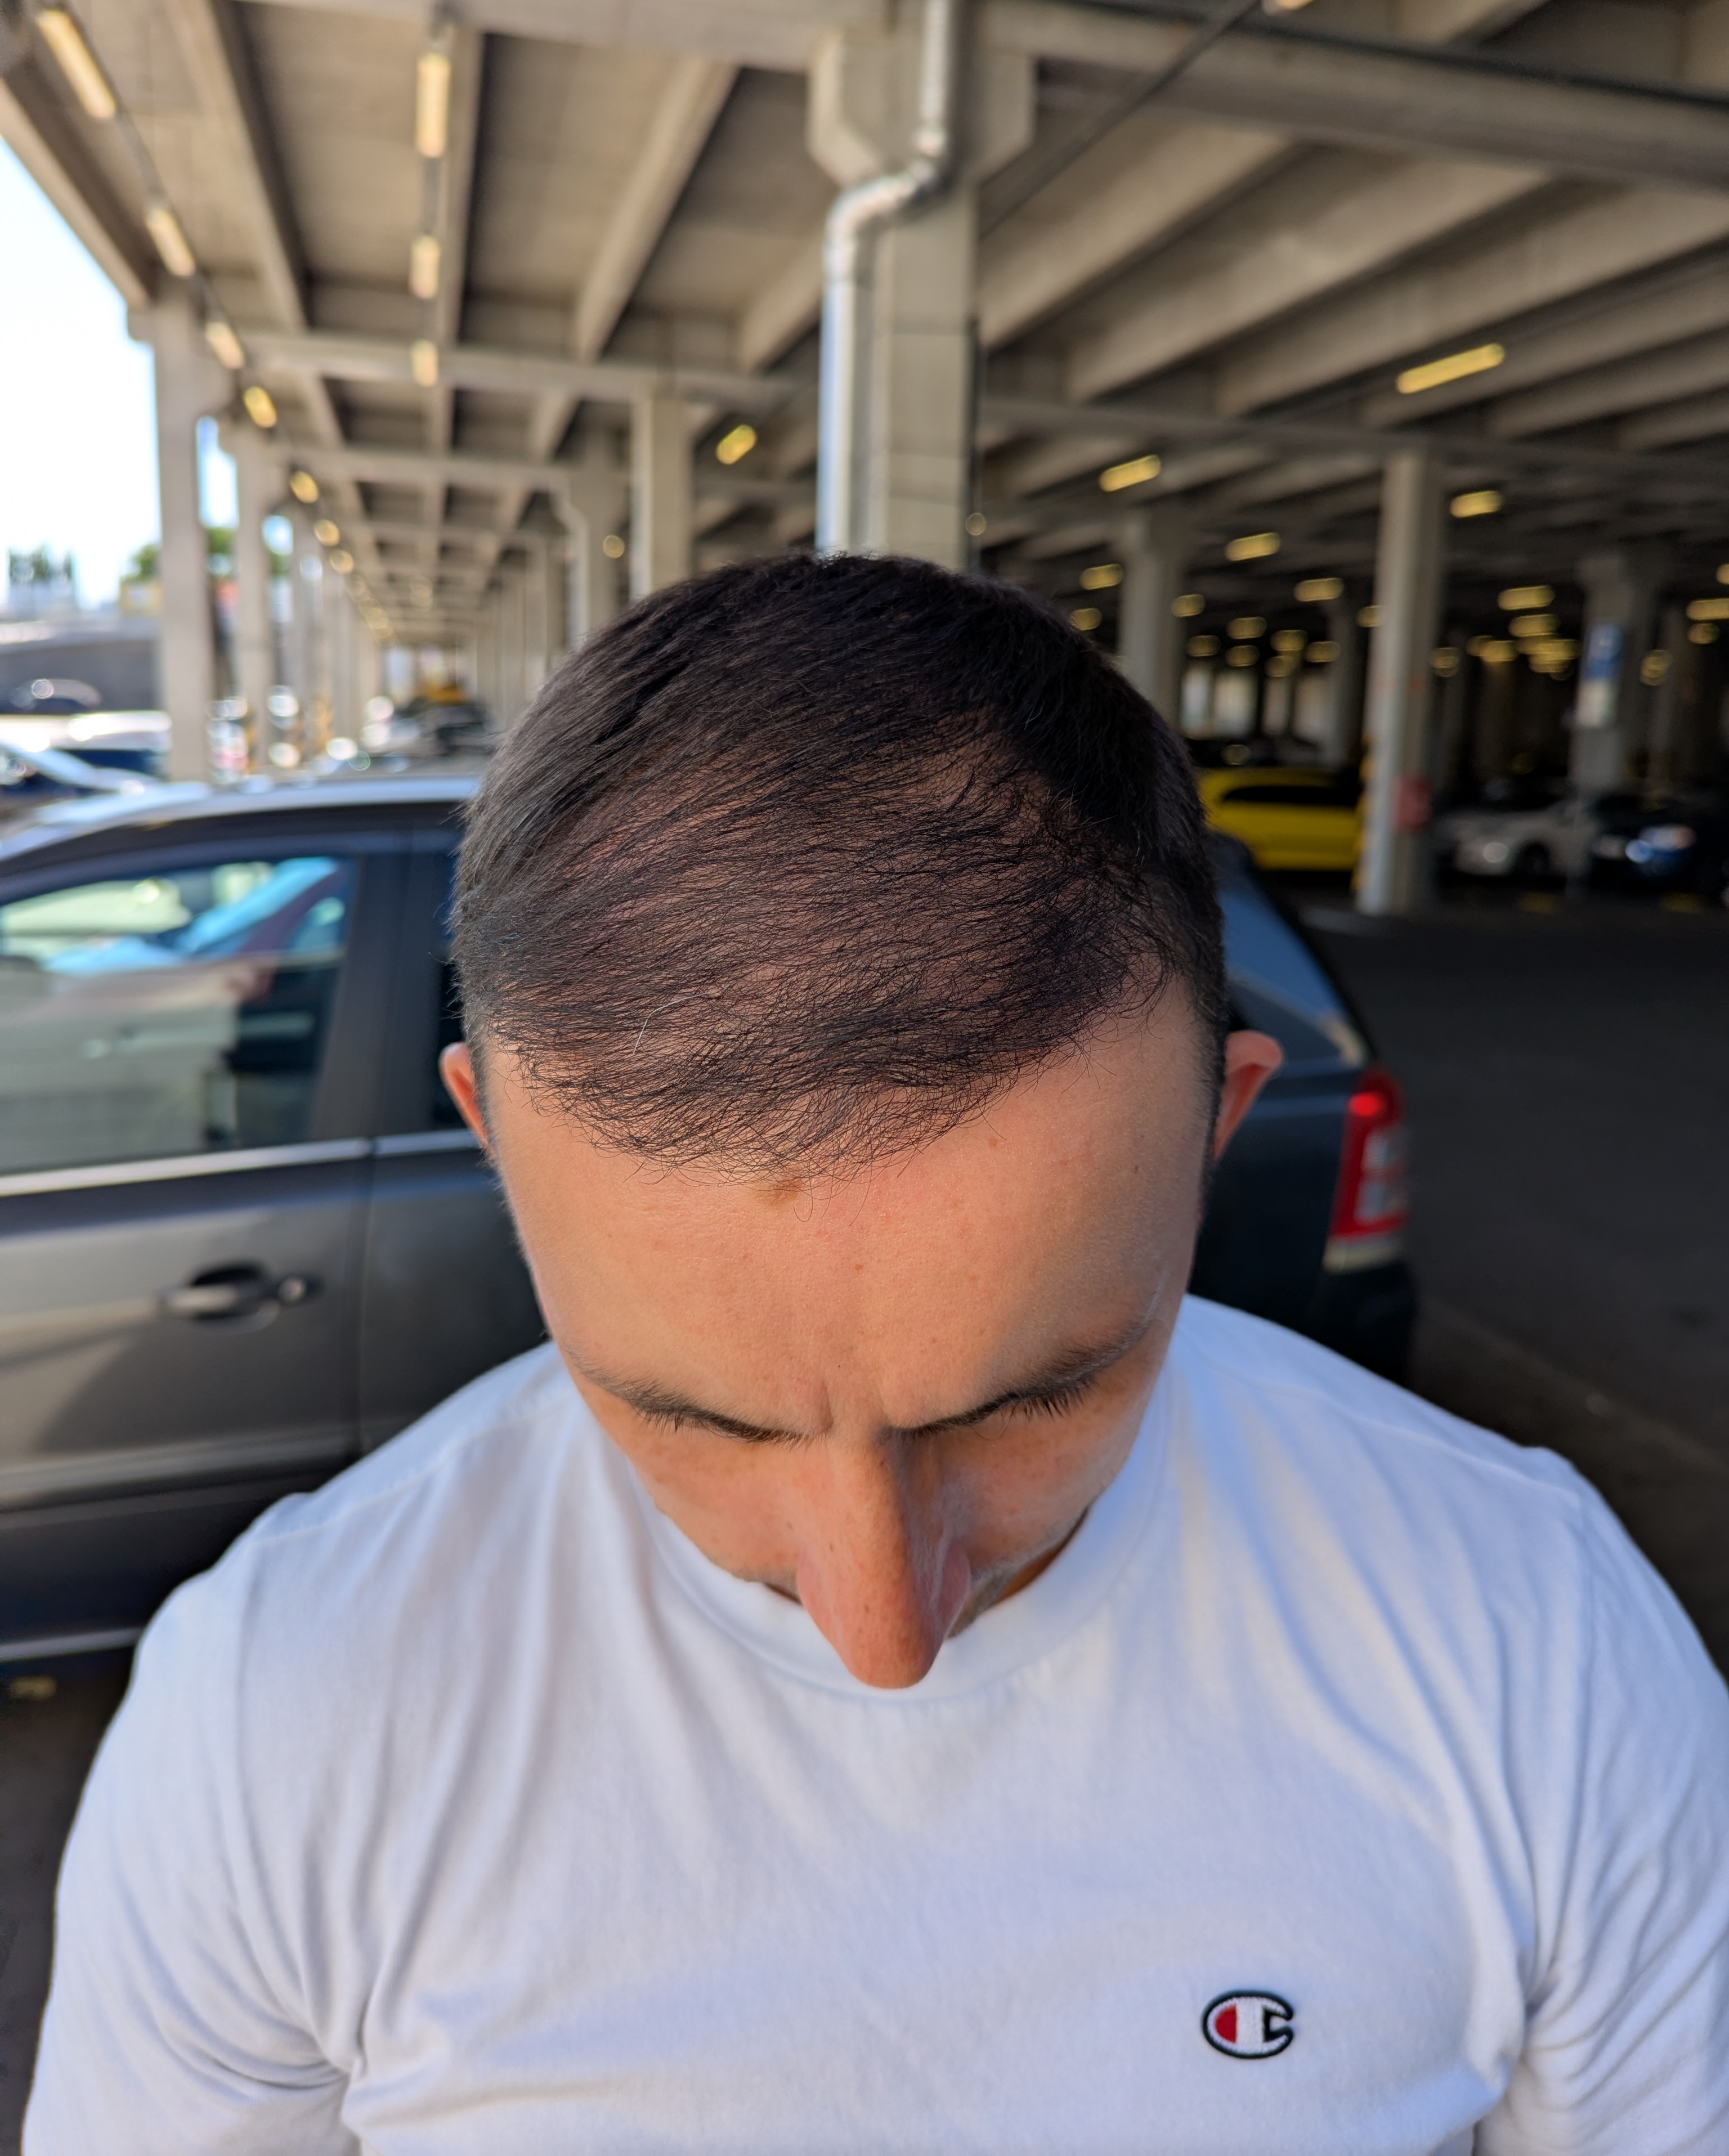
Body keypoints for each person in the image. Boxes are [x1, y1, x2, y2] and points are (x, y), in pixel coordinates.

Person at [26, 555, 1729, 2154]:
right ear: (494, 1144)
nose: (883, 1636)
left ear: (1216, 1129)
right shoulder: (275, 1714)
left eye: (1033, 1397)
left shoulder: (1545, 1646)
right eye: (693, 1419)